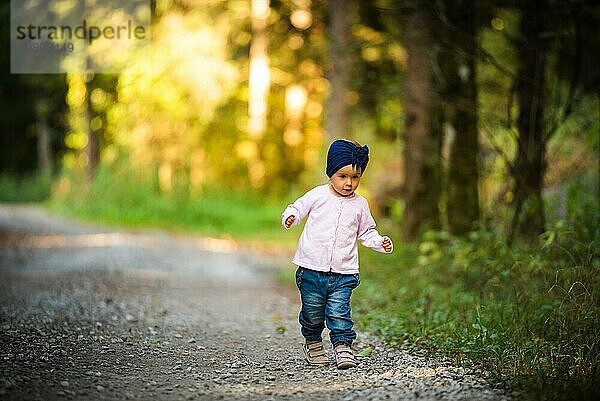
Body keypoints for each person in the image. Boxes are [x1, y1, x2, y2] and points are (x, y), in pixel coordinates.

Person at [281, 139, 393, 369]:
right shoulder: (318, 195)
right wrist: (290, 217)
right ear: (331, 172)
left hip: (344, 272)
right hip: (312, 269)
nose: (349, 183)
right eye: (342, 176)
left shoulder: (360, 205)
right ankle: (313, 342)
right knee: (313, 313)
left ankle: (343, 347)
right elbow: (297, 207)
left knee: (339, 312)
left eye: (355, 177)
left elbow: (366, 231)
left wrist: (380, 242)